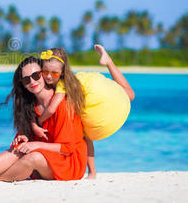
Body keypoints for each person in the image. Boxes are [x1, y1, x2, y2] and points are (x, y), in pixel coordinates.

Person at [0, 56, 87, 183]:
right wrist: (23, 138)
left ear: (44, 74)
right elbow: (24, 142)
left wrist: (35, 145)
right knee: (18, 150)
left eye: (36, 75)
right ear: (23, 85)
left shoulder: (62, 105)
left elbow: (67, 148)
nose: (32, 82)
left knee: (33, 157)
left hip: (69, 163)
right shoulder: (30, 106)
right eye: (27, 80)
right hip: (47, 158)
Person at [31, 44, 135, 179]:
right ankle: (108, 62)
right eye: (45, 72)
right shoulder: (74, 77)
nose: (49, 77)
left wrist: (38, 122)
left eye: (54, 73)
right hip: (99, 87)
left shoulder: (62, 84)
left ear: (62, 72)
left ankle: (92, 172)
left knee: (85, 136)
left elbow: (51, 108)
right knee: (130, 95)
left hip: (97, 97)